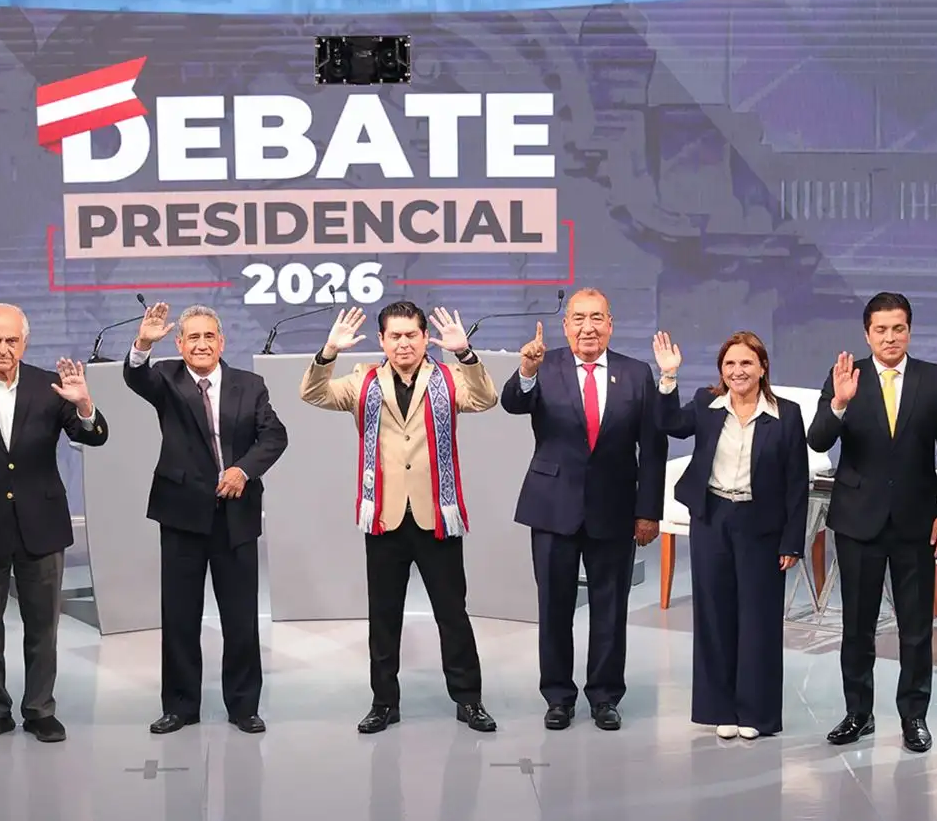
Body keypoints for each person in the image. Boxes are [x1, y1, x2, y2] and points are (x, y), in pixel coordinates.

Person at [299, 302, 499, 734]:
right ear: (382, 340)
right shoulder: (362, 380)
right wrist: (329, 351)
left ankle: (469, 700)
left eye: (411, 335)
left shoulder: (449, 378)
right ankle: (384, 703)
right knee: (384, 616)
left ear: (426, 338)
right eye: (395, 336)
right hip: (385, 518)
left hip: (437, 515)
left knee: (452, 613)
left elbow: (486, 399)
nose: (403, 343)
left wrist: (465, 354)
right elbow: (313, 393)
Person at [0, 303, 109, 744]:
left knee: (43, 628)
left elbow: (93, 436)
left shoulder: (51, 388)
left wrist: (84, 404)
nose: (3, 348)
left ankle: (39, 709)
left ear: (24, 343)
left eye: (11, 340)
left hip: (42, 527)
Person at [500, 288, 666, 731]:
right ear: (565, 325)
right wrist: (526, 371)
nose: (587, 328)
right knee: (554, 607)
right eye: (578, 318)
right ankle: (558, 697)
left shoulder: (636, 374)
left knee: (610, 608)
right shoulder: (543, 364)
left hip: (615, 508)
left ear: (610, 324)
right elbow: (513, 403)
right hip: (552, 506)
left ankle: (605, 696)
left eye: (596, 318)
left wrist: (648, 511)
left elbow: (652, 448)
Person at [807, 291, 937, 752]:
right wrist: (838, 404)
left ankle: (914, 716)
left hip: (917, 521)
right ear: (867, 334)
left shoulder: (935, 379)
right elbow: (818, 440)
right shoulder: (845, 376)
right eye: (881, 330)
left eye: (898, 328)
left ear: (909, 331)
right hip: (858, 520)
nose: (890, 337)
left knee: (916, 628)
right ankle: (858, 713)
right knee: (857, 626)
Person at [123, 303, 288, 735]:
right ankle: (180, 706)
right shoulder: (166, 378)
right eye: (192, 337)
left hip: (235, 515)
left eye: (208, 336)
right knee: (180, 616)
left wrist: (243, 470)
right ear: (179, 344)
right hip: (181, 514)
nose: (201, 344)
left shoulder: (249, 385)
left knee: (240, 617)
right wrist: (142, 344)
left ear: (222, 342)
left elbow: (274, 435)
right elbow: (136, 376)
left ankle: (244, 706)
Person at [652, 330, 807, 738]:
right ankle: (719, 708)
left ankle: (756, 714)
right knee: (714, 615)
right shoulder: (707, 404)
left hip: (761, 524)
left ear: (763, 368)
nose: (738, 371)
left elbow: (796, 482)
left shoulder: (786, 414)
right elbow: (669, 423)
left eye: (746, 363)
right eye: (730, 364)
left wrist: (792, 540)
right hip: (713, 518)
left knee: (758, 620)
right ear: (721, 370)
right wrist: (668, 376)